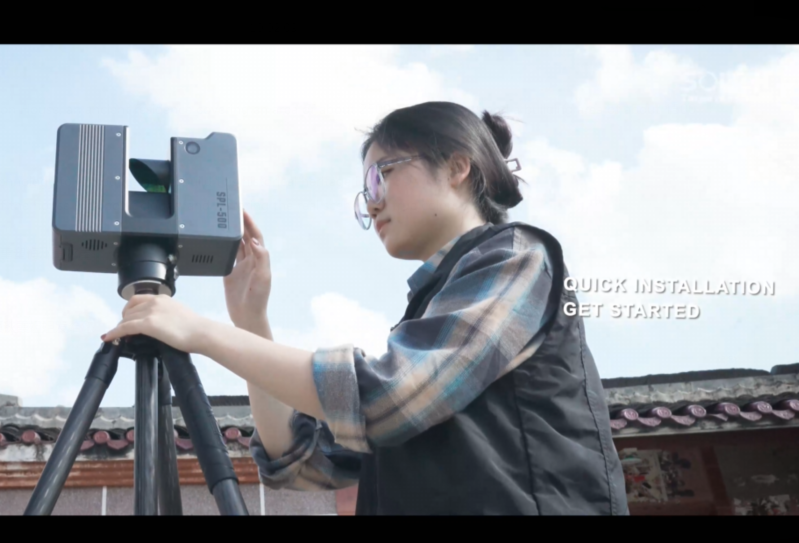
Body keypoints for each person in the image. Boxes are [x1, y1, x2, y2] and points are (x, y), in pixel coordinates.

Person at [101, 101, 628, 515]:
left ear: (457, 167)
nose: (371, 202)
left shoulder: (516, 259)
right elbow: (303, 465)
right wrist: (250, 324)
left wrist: (201, 332)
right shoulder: (430, 311)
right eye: (363, 191)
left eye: (381, 176)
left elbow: (384, 398)